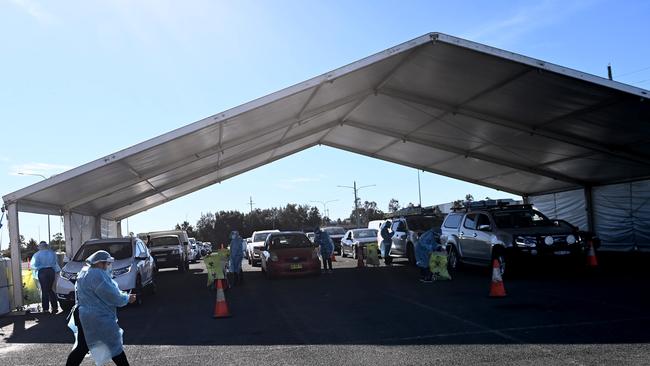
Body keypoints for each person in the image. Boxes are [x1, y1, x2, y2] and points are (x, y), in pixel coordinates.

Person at [66, 250, 136, 366]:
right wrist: (127, 298)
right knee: (114, 346)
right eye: (106, 263)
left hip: (83, 314)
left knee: (82, 347)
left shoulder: (84, 272)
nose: (108, 266)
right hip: (97, 317)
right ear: (99, 263)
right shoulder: (97, 275)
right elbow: (111, 295)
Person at [30, 241, 61, 314]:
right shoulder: (52, 253)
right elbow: (55, 263)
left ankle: (46, 309)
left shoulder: (37, 254)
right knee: (50, 289)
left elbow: (34, 265)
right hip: (51, 271)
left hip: (42, 272)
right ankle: (55, 307)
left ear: (40, 246)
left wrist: (39, 267)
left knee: (44, 290)